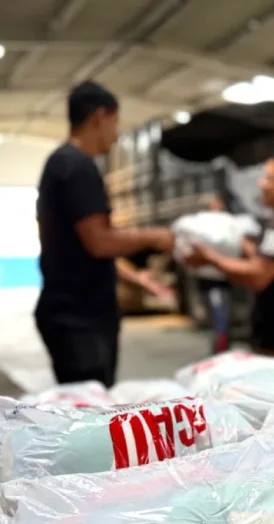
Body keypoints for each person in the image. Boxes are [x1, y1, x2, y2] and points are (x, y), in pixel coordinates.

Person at [35, 80, 174, 388]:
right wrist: (154, 236)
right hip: (79, 319)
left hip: (70, 313)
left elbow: (81, 252)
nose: (117, 133)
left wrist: (136, 279)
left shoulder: (61, 164)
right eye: (115, 122)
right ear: (99, 117)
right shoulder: (77, 167)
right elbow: (99, 243)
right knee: (91, 408)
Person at [185, 155, 274, 362]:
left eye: (268, 178)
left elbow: (259, 275)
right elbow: (272, 258)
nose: (261, 184)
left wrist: (210, 259)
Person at [197, 193, 233, 354]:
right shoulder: (203, 227)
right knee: (221, 324)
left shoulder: (225, 224)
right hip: (212, 282)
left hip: (225, 279)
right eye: (218, 204)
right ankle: (219, 355)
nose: (222, 207)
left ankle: (222, 353)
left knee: (223, 321)